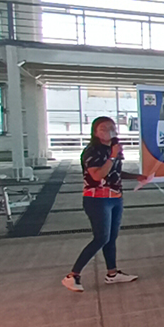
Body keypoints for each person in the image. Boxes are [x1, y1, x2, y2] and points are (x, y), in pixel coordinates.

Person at [63, 116, 147, 292]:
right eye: (103, 128)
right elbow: (97, 175)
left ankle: (112, 273)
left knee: (111, 238)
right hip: (97, 199)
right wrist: (113, 156)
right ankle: (73, 275)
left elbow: (113, 172)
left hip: (115, 197)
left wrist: (135, 177)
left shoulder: (111, 149)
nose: (109, 130)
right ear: (95, 132)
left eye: (112, 127)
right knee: (101, 237)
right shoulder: (92, 151)